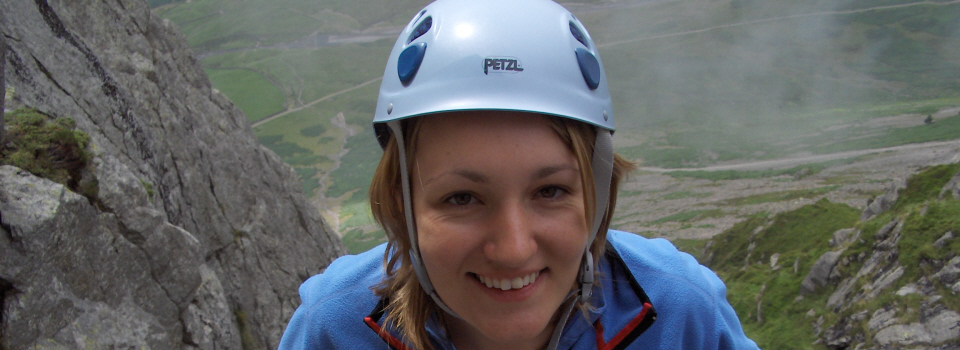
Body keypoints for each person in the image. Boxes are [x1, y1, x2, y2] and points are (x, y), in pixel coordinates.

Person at [278, 0, 760, 349]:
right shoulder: (333, 329)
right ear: (402, 203)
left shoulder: (679, 315)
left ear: (595, 193)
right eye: (462, 198)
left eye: (550, 190)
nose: (512, 249)